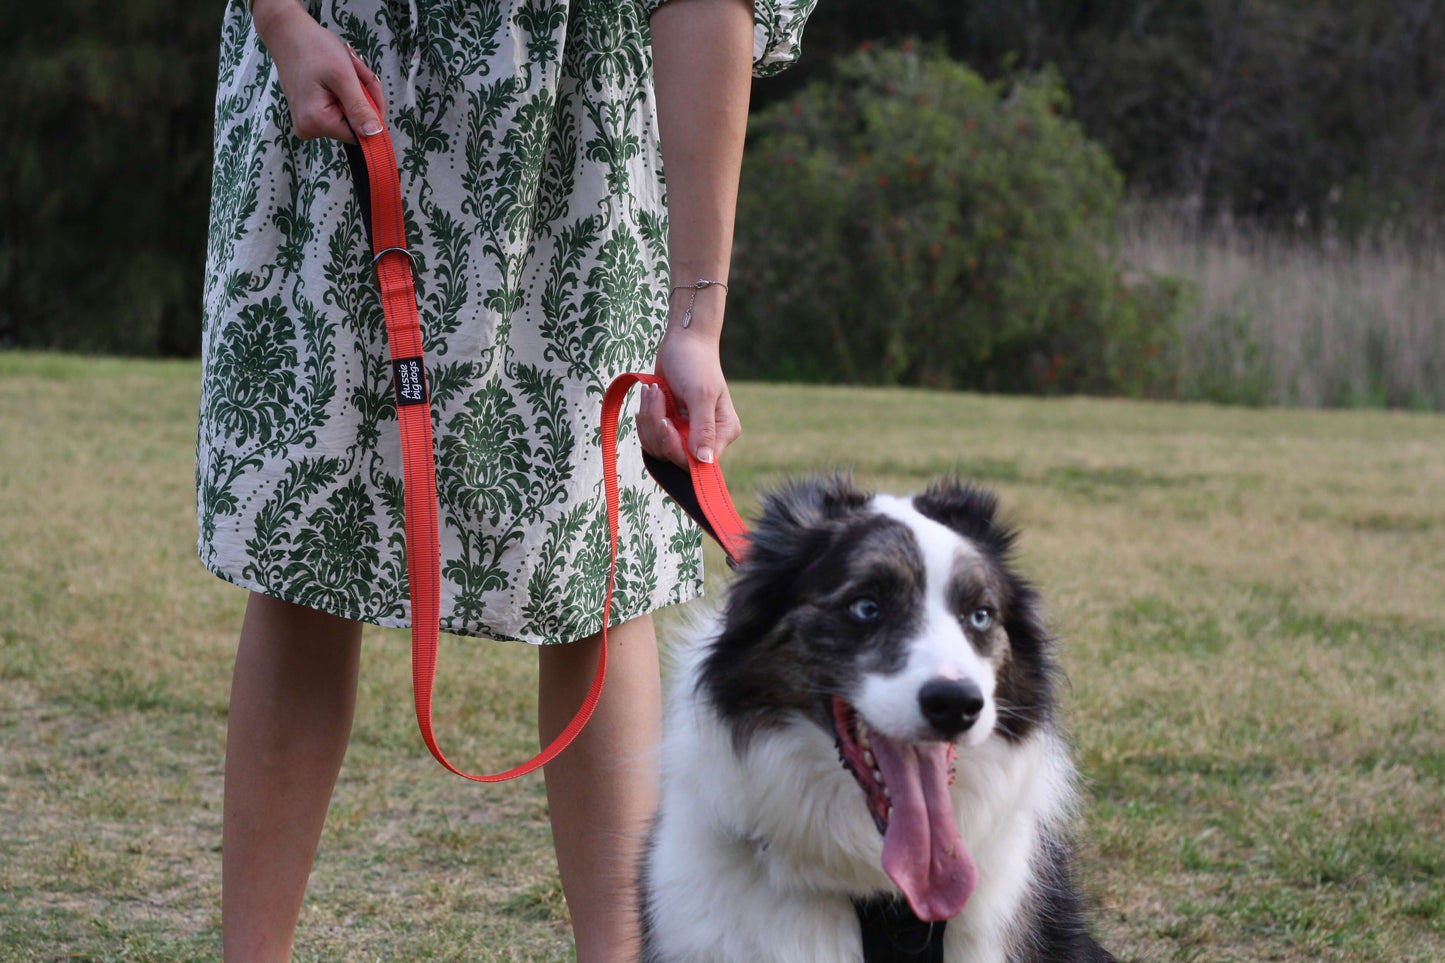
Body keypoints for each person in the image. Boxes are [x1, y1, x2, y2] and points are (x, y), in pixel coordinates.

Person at [197, 0, 813, 958]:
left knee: (595, 575)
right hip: (347, 84)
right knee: (304, 545)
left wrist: (694, 323)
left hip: (583, 149)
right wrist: (282, 21)